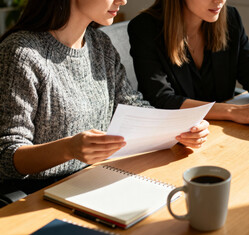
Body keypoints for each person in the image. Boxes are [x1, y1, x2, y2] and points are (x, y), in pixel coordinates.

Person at [0, 0, 209, 202]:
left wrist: (181, 129)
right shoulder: (22, 54)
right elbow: (6, 156)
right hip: (40, 195)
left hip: (97, 180)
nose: (123, 1)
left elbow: (133, 105)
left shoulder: (100, 45)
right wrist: (69, 148)